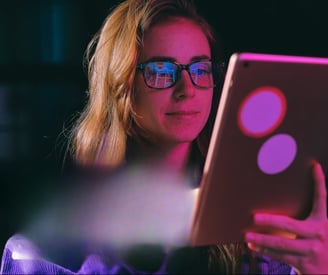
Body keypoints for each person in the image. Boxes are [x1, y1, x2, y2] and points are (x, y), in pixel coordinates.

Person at [1, 0, 328, 274]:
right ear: (121, 86)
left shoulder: (254, 227)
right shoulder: (51, 249)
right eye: (161, 71)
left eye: (200, 70)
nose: (187, 90)